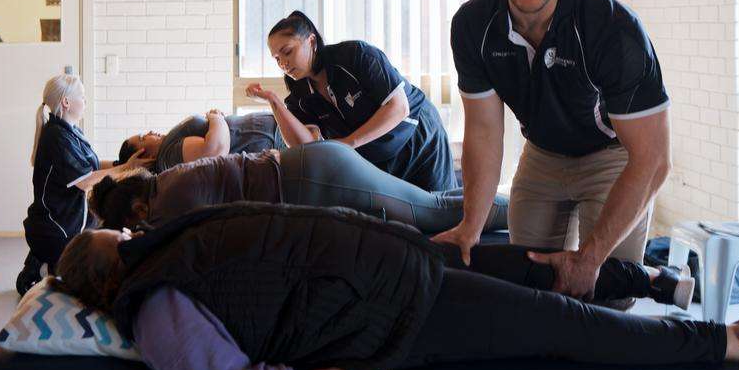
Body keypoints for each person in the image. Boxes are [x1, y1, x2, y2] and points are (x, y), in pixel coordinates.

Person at [50, 202, 739, 370]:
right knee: (560, 323)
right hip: (396, 313)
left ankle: (657, 281)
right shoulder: (156, 308)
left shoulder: (167, 252)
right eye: (116, 237)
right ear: (108, 265)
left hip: (397, 265)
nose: (127, 231)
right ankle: (728, 340)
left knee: (536, 260)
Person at [434, 0, 672, 370]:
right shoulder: (474, 25)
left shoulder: (611, 29)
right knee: (531, 298)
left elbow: (653, 159)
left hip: (614, 159)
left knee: (604, 310)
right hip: (542, 153)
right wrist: (470, 223)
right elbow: (484, 133)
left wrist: (591, 255)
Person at [90, 140, 508, 235]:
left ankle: (528, 211)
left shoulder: (168, 206)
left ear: (137, 211)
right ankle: (519, 206)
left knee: (430, 215)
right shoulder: (167, 183)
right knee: (431, 205)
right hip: (311, 167)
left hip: (313, 178)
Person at [246, 11, 456, 192]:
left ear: (311, 41)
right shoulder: (299, 93)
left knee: (441, 209)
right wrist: (274, 102)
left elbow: (399, 107)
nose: (283, 63)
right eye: (276, 58)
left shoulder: (355, 55)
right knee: (399, 225)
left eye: (287, 52)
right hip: (377, 154)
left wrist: (348, 143)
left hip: (418, 135)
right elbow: (306, 145)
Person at [16, 75, 151, 296]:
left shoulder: (70, 131)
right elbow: (85, 181)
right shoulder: (57, 137)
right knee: (76, 284)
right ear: (66, 102)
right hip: (56, 227)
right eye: (82, 96)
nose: (86, 101)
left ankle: (41, 261)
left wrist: (124, 165)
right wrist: (126, 169)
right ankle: (37, 267)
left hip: (70, 219)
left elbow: (92, 168)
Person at [116, 110, 285, 173]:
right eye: (142, 138)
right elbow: (215, 150)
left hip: (274, 132)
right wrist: (216, 118)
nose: (150, 133)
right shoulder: (168, 156)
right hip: (273, 142)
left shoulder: (169, 149)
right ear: (143, 155)